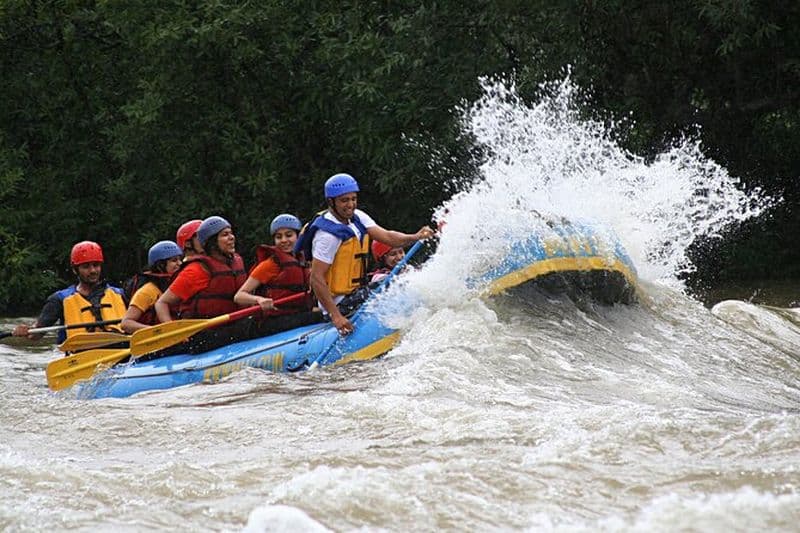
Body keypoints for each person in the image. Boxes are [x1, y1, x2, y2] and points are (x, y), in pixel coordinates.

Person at [295, 173, 433, 335]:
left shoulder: (357, 217)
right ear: (331, 202)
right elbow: (316, 278)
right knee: (395, 282)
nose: (350, 204)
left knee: (402, 277)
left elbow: (388, 237)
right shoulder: (327, 236)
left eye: (353, 199)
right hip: (340, 303)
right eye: (344, 200)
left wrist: (415, 237)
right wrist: (336, 316)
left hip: (356, 292)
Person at [12, 241, 127, 343]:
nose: (92, 270)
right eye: (86, 267)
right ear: (75, 270)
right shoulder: (59, 299)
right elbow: (35, 335)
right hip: (80, 355)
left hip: (119, 352)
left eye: (96, 265)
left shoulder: (120, 294)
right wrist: (26, 331)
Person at [155, 216, 247, 322]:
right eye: (225, 234)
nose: (232, 237)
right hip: (207, 328)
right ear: (212, 243)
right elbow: (162, 302)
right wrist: (171, 328)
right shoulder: (197, 269)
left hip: (236, 323)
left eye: (231, 233)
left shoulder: (237, 261)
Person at [120, 240, 183, 333]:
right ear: (160, 265)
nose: (180, 263)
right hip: (154, 338)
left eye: (180, 259)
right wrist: (156, 331)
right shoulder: (148, 291)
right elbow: (126, 323)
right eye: (174, 260)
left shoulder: (178, 286)